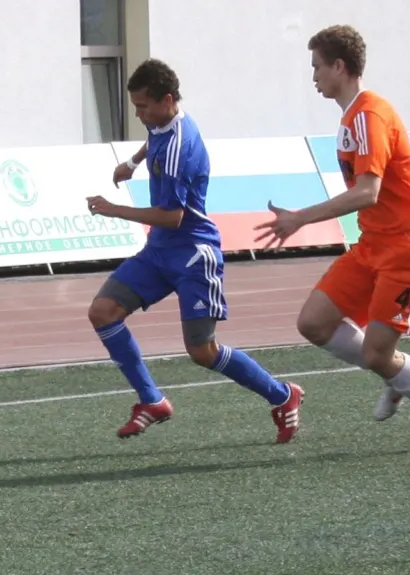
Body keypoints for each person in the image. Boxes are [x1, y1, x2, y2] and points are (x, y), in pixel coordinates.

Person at [253, 25, 410, 450]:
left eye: (317, 67)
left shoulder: (367, 115)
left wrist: (300, 218)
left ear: (339, 66)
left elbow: (367, 192)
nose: (313, 76)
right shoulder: (357, 114)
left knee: (376, 354)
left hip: (406, 252)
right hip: (374, 245)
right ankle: (394, 373)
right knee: (313, 323)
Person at [88, 58, 305, 443]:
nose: (139, 115)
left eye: (143, 106)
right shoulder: (164, 121)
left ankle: (282, 395)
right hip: (160, 251)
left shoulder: (180, 147)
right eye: (136, 106)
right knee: (103, 312)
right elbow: (153, 136)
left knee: (202, 351)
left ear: (167, 99)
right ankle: (152, 401)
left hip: (193, 255)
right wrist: (133, 162)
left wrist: (113, 209)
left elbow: (172, 217)